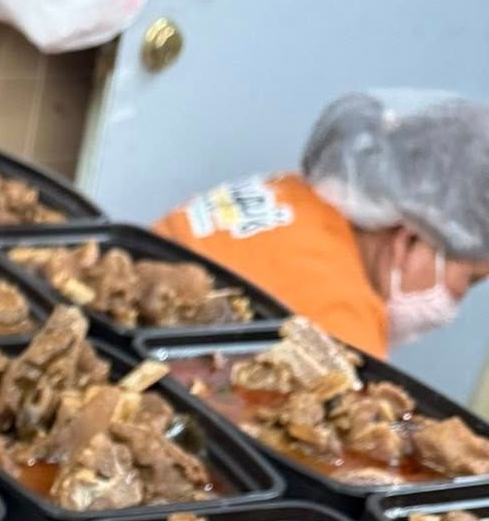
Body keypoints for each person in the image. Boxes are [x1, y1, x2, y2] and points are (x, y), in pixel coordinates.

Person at [155, 91, 489, 358]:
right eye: (470, 280)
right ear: (409, 240)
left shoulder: (288, 191)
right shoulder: (338, 320)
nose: (452, 306)